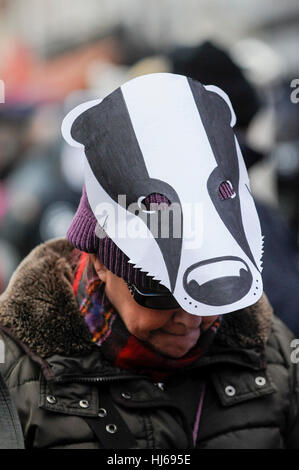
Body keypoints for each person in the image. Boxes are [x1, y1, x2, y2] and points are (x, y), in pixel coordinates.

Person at [0, 73, 298, 449]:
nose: (192, 317)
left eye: (212, 292)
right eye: (158, 288)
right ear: (100, 262)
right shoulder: (14, 376)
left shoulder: (270, 353)